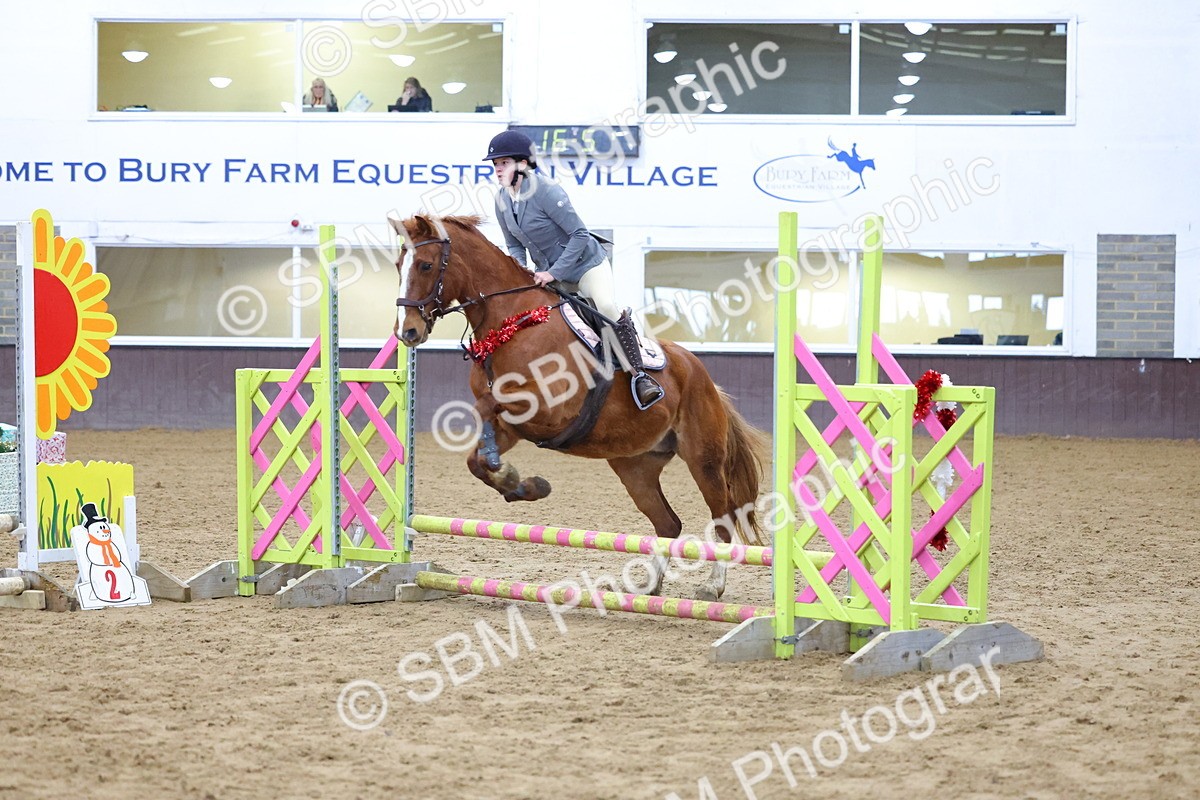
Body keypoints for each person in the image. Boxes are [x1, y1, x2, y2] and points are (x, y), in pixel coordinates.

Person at [483, 130, 664, 409]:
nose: (497, 169)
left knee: (605, 307)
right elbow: (513, 245)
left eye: (503, 163)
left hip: (586, 266)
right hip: (549, 273)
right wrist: (523, 271)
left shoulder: (546, 190)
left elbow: (579, 234)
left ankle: (639, 374)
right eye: (495, 165)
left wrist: (553, 273)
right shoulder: (502, 200)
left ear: (522, 164)